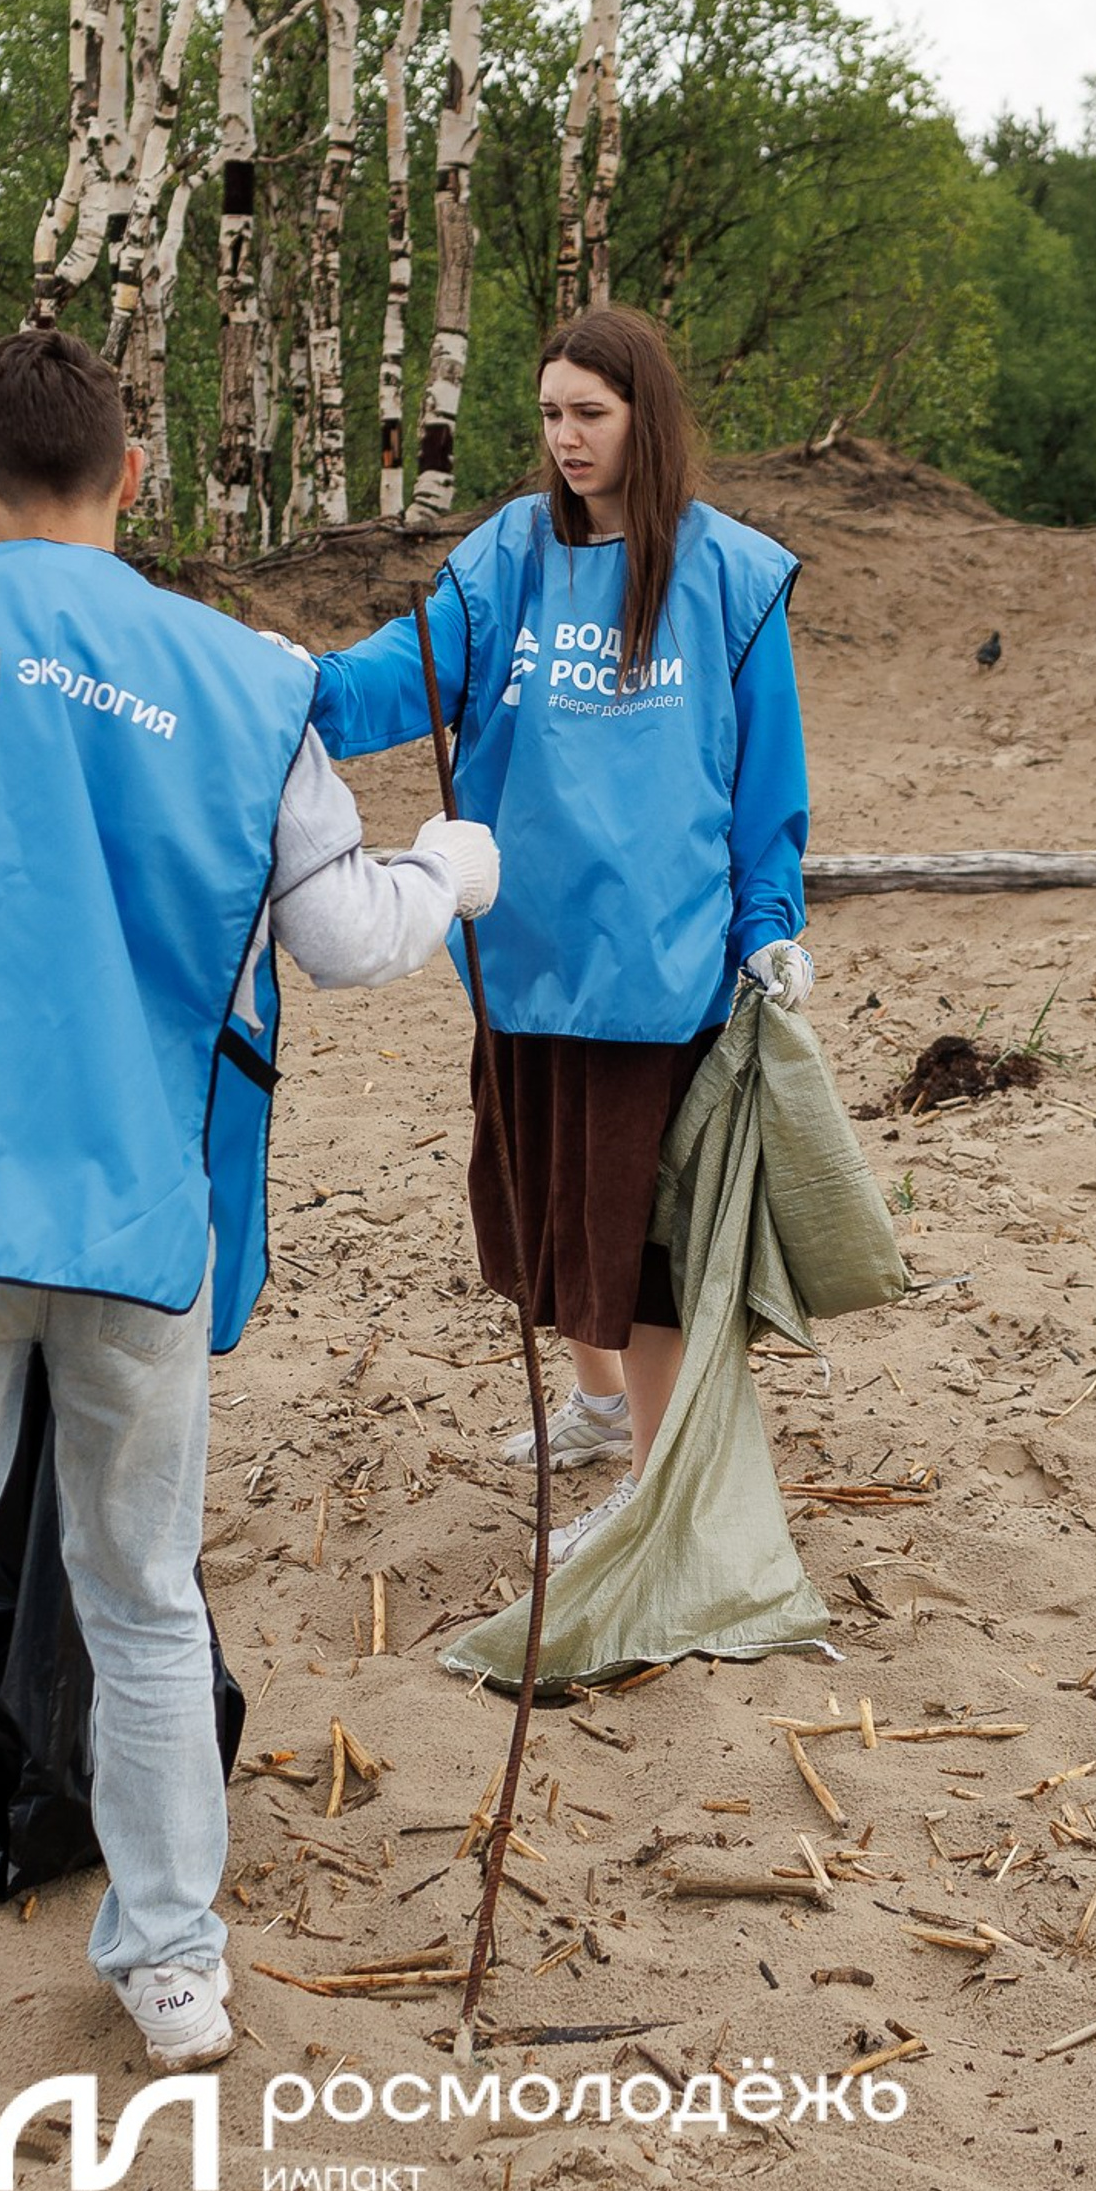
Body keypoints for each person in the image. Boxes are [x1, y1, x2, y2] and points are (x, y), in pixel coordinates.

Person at [0, 328, 499, 2167]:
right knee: (145, 1597)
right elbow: (341, 940)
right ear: (134, 475)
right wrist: (457, 867)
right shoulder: (240, 681)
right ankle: (175, 1967)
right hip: (135, 1210)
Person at [307, 303, 812, 1556]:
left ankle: (655, 1494)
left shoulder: (729, 574)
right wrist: (275, 691)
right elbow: (401, 672)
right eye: (549, 413)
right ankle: (595, 1413)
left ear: (646, 414)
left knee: (634, 1240)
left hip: (656, 964)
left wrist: (769, 922)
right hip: (521, 948)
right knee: (547, 1211)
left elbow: (765, 776)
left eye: (590, 412)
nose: (567, 437)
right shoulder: (511, 557)